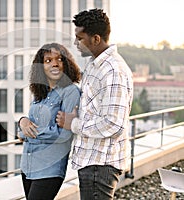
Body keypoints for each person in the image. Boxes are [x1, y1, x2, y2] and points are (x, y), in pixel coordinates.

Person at [56, 9, 134, 200]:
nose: (75, 43)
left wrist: (72, 124)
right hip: (91, 161)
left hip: (101, 164)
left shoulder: (113, 71)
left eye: (79, 38)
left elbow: (113, 124)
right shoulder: (94, 64)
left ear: (96, 39)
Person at [17, 43, 81, 200]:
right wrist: (22, 122)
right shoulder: (40, 93)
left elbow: (65, 134)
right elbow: (27, 127)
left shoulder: (70, 91)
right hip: (28, 166)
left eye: (59, 59)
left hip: (49, 168)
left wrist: (29, 132)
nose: (54, 63)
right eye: (48, 60)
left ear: (66, 64)